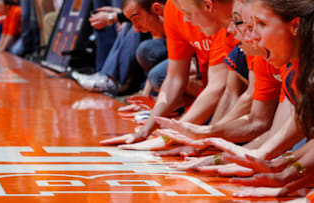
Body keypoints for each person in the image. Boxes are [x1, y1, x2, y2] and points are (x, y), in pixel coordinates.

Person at [180, 0, 314, 198]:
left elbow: (263, 123)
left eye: (260, 25)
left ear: (294, 26)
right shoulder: (296, 69)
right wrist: (283, 171)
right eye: (249, 25)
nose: (251, 36)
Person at [100, 0, 234, 149]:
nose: (186, 19)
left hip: (223, 96)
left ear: (208, 5)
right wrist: (145, 131)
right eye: (184, 12)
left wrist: (169, 137)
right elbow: (174, 78)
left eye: (188, 13)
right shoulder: (173, 9)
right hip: (213, 90)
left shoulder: (224, 20)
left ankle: (186, 117)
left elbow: (222, 88)